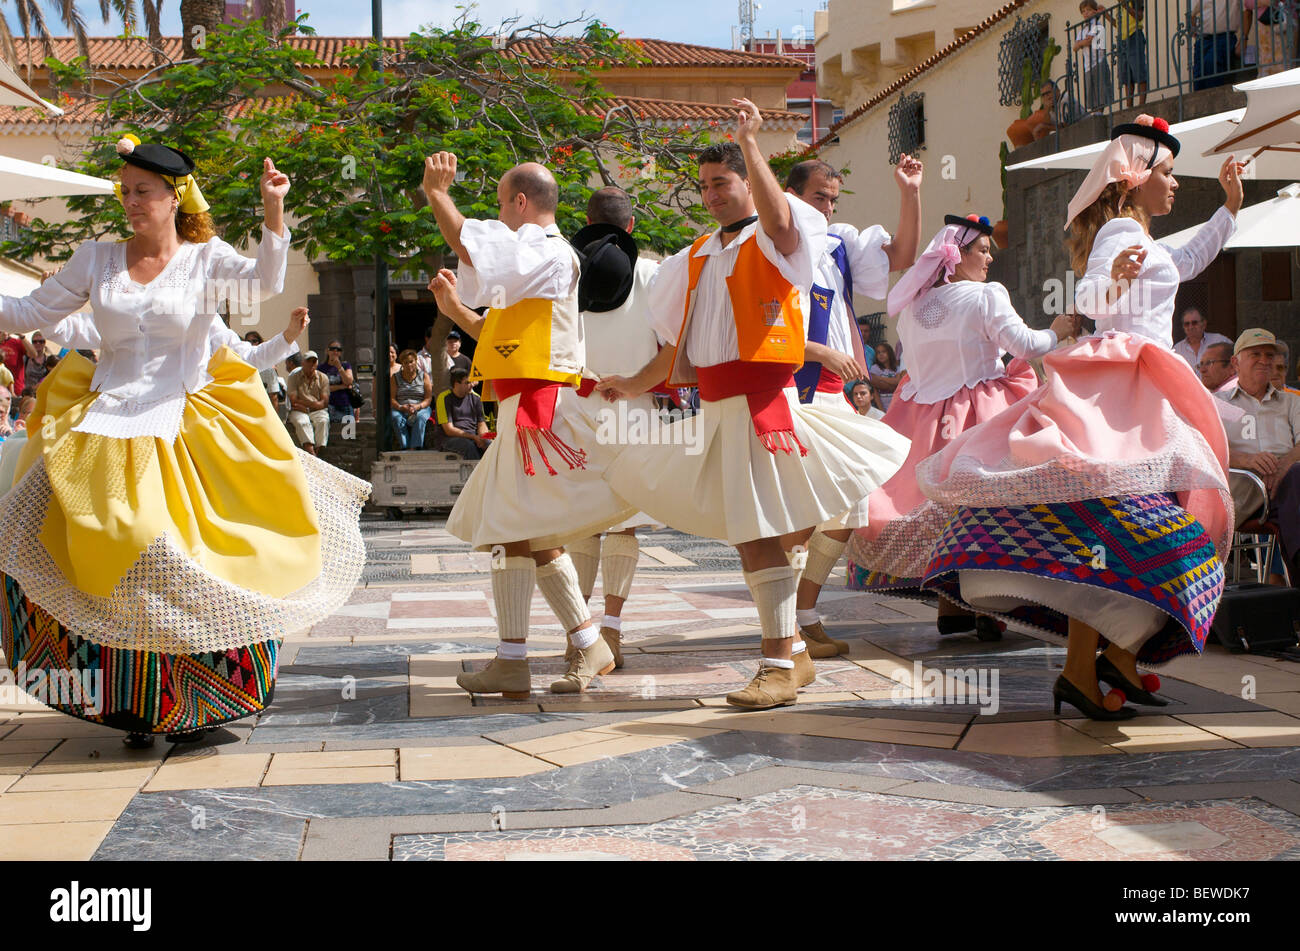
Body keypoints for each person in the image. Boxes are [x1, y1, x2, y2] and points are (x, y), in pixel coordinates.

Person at [0, 137, 369, 747]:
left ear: (175, 197)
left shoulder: (205, 257)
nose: (130, 200)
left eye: (143, 190)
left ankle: (200, 705)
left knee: (183, 557)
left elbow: (266, 277)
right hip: (105, 424)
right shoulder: (96, 258)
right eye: (125, 190)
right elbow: (28, 311)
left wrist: (274, 210)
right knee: (100, 548)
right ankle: (127, 707)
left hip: (187, 425)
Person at [916, 116, 1242, 721]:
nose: (1174, 185)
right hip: (1126, 389)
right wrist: (1111, 284)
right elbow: (1090, 298)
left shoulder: (1140, 235)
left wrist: (1228, 208)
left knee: (1136, 521)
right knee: (1128, 527)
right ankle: (1083, 665)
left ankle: (1115, 656)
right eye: (1166, 175)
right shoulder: (1120, 230)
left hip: (1143, 388)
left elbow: (1188, 258)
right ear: (1133, 180)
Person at [597, 102, 910, 710]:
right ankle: (788, 653)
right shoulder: (690, 259)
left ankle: (778, 661)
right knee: (757, 536)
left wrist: (753, 143)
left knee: (761, 533)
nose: (713, 193)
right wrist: (631, 385)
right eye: (707, 184)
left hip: (765, 403)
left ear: (748, 183)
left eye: (725, 182)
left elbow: (782, 220)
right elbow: (676, 352)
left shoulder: (778, 239)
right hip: (719, 412)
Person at [423, 151, 635, 698]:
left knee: (525, 531)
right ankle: (517, 659)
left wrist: (437, 194)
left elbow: (474, 248)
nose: (497, 213)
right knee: (513, 533)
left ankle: (581, 644)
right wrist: (454, 307)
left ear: (520, 202)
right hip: (524, 407)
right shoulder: (533, 263)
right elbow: (497, 332)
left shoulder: (550, 251)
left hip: (541, 409)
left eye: (500, 203)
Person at [848, 214, 1079, 637]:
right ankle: (987, 606)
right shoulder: (986, 295)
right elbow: (1023, 345)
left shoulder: (912, 307)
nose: (990, 258)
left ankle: (950, 604)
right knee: (986, 504)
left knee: (938, 509)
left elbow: (914, 370)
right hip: (978, 409)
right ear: (957, 256)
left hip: (921, 417)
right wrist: (1057, 330)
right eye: (983, 250)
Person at [779, 155, 923, 660]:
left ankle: (804, 613)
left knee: (847, 503)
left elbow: (902, 253)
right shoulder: (769, 240)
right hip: (791, 387)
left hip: (835, 391)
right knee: (800, 503)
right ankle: (780, 623)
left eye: (833, 198)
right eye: (820, 196)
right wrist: (819, 353)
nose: (828, 206)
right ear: (790, 194)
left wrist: (909, 191)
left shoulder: (840, 242)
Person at [1217, 328, 1300, 582]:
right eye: (1255, 354)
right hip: (1244, 488)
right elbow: (1206, 447)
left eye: (1269, 354)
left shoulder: (1290, 402)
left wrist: (1284, 466)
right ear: (1235, 362)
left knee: (1295, 480)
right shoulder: (1218, 403)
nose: (1265, 360)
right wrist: (1248, 460)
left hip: (1288, 484)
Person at [1192, 0, 1252, 90]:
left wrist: (1244, 39)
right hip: (1203, 39)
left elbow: (1247, 12)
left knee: (1212, 65)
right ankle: (1203, 102)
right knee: (1199, 74)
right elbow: (1190, 14)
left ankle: (1215, 100)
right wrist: (1194, 31)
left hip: (1224, 37)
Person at [433, 366, 489, 458]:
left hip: (473, 437)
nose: (471, 385)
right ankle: (474, 472)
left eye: (471, 382)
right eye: (467, 383)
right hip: (449, 439)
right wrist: (474, 437)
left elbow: (481, 423)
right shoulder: (444, 398)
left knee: (491, 445)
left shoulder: (476, 398)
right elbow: (449, 430)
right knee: (469, 446)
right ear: (456, 384)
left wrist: (483, 437)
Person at [287, 349, 331, 455]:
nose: (311, 364)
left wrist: (307, 406)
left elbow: (324, 402)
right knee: (302, 422)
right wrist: (315, 404)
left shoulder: (323, 378)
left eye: (314, 361)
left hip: (312, 409)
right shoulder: (294, 377)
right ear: (302, 363)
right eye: (308, 361)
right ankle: (311, 451)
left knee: (323, 421)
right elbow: (293, 400)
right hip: (300, 410)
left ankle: (318, 451)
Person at [389, 347, 433, 451]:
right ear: (402, 364)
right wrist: (400, 407)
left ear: (416, 361)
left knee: (421, 418)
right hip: (401, 406)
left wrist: (418, 406)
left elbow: (428, 398)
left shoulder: (424, 376)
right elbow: (392, 398)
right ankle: (405, 446)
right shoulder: (395, 377)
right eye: (405, 363)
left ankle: (415, 447)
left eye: (411, 361)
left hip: (420, 406)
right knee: (396, 418)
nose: (409, 365)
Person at [1074, 0, 1114, 114]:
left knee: (1100, 88)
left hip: (1099, 61)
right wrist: (1082, 42)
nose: (1085, 13)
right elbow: (1075, 47)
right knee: (1091, 89)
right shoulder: (1082, 29)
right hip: (1088, 65)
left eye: (1088, 10)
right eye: (1083, 11)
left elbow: (1088, 41)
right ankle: (1095, 112)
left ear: (1095, 11)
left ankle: (1100, 112)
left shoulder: (1098, 25)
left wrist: (1081, 43)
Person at [1116, 0, 1149, 108]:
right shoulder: (1120, 7)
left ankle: (1141, 103)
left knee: (1138, 69)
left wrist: (1126, 6)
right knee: (1126, 74)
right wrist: (1105, 14)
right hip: (1123, 40)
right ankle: (1129, 105)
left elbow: (1139, 16)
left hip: (1134, 36)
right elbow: (1118, 25)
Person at [244, 330, 281, 412]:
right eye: (248, 342)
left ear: (260, 343)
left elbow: (274, 398)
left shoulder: (268, 369)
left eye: (254, 341)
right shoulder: (240, 365)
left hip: (264, 410)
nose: (252, 344)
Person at [322, 339, 355, 423]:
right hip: (328, 406)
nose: (335, 351)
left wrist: (339, 367)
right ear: (327, 351)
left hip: (345, 405)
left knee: (348, 435)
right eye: (333, 349)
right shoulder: (321, 368)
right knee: (331, 435)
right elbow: (323, 389)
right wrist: (341, 386)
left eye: (338, 350)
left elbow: (349, 381)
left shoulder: (345, 365)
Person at [868, 341, 902, 411]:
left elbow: (897, 381)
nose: (881, 354)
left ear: (889, 353)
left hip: (896, 405)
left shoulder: (897, 368)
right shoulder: (875, 368)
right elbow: (875, 390)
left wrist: (878, 378)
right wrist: (881, 408)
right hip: (882, 406)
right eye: (878, 353)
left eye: (884, 352)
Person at [21, 332, 50, 397]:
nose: (38, 343)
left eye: (41, 341)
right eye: (35, 341)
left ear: (45, 343)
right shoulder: (25, 359)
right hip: (27, 394)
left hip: (43, 395)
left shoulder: (49, 360)